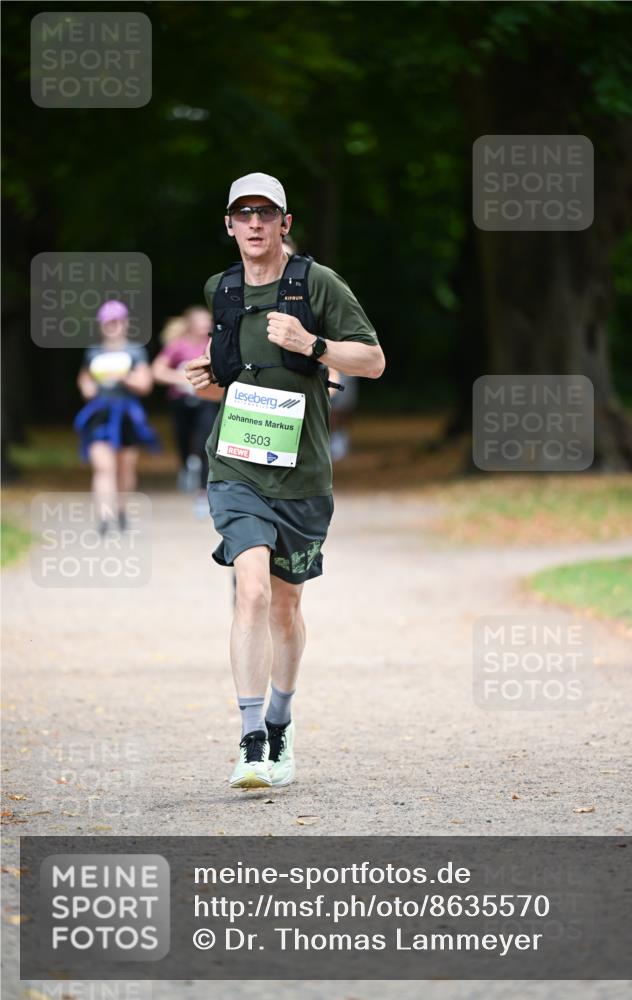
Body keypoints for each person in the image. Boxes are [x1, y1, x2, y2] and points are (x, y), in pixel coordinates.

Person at [185, 172, 385, 789]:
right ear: (228, 224)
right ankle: (249, 741)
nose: (253, 224)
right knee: (249, 590)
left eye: (265, 214)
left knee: (285, 605)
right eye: (242, 213)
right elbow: (236, 377)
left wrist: (314, 342)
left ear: (283, 223)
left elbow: (372, 361)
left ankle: (279, 721)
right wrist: (209, 381)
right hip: (237, 461)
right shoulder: (221, 289)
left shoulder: (315, 284)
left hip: (301, 470)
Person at [74, 300, 159, 534]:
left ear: (125, 324)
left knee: (125, 468)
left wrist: (124, 378)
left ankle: (121, 509)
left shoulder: (135, 351)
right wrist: (87, 387)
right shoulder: (93, 352)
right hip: (99, 414)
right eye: (108, 322)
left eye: (117, 322)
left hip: (126, 415)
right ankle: (104, 517)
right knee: (103, 467)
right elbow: (84, 378)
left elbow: (145, 384)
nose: (113, 326)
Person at [152, 306, 219, 510]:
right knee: (182, 439)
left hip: (207, 401)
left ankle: (202, 492)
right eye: (200, 321)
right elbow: (157, 371)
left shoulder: (212, 345)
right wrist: (182, 378)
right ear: (190, 324)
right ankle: (185, 465)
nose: (205, 325)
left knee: (203, 444)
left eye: (207, 321)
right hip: (180, 401)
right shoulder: (177, 346)